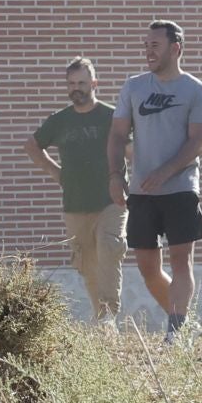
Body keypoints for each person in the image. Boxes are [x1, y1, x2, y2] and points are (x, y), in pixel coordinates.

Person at [108, 20, 202, 343]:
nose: (148, 51)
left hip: (181, 188)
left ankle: (176, 333)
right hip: (141, 192)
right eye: (145, 45)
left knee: (181, 260)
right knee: (147, 267)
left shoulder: (196, 90)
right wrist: (115, 176)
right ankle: (185, 321)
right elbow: (116, 135)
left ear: (176, 48)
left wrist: (166, 171)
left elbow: (198, 142)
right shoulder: (134, 86)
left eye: (155, 45)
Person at [26, 57, 124, 324]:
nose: (76, 88)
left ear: (94, 84)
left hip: (111, 200)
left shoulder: (111, 115)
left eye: (82, 82)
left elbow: (130, 149)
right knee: (87, 264)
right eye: (71, 84)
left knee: (109, 247)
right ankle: (101, 316)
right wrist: (56, 172)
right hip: (75, 202)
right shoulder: (60, 120)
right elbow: (33, 146)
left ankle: (109, 318)